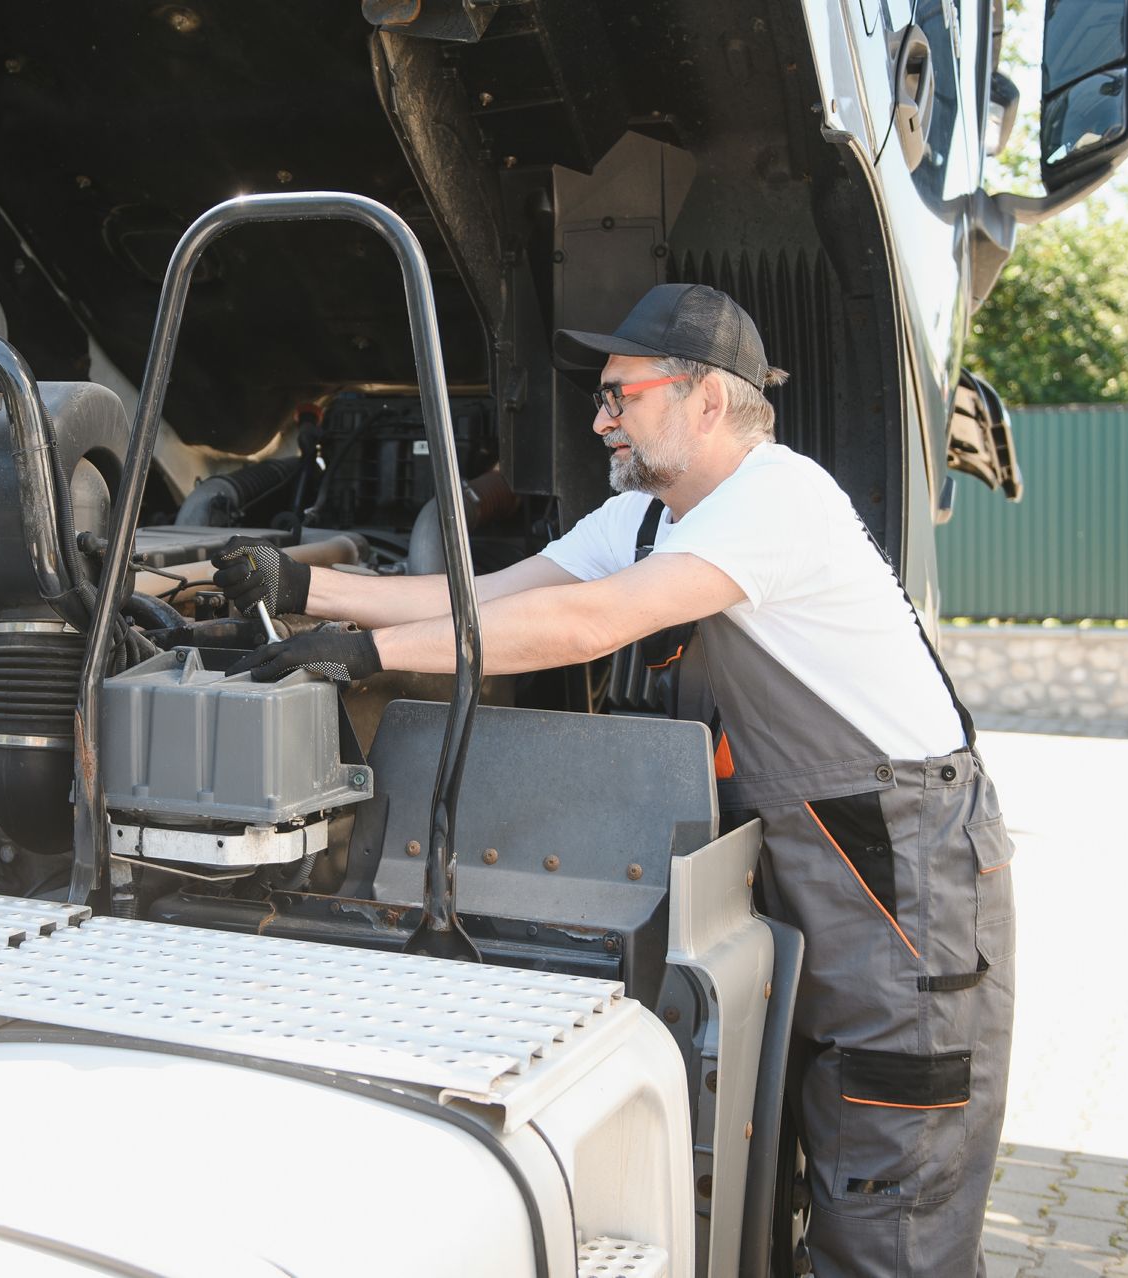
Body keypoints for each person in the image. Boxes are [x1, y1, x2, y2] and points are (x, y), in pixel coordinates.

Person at [215, 283, 1015, 1278]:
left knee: (892, 1184)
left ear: (706, 400)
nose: (599, 419)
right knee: (810, 1145)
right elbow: (480, 599)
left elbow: (587, 626)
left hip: (905, 870)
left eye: (619, 396)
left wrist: (363, 658)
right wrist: (297, 589)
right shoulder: (646, 517)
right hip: (820, 854)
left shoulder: (776, 496)